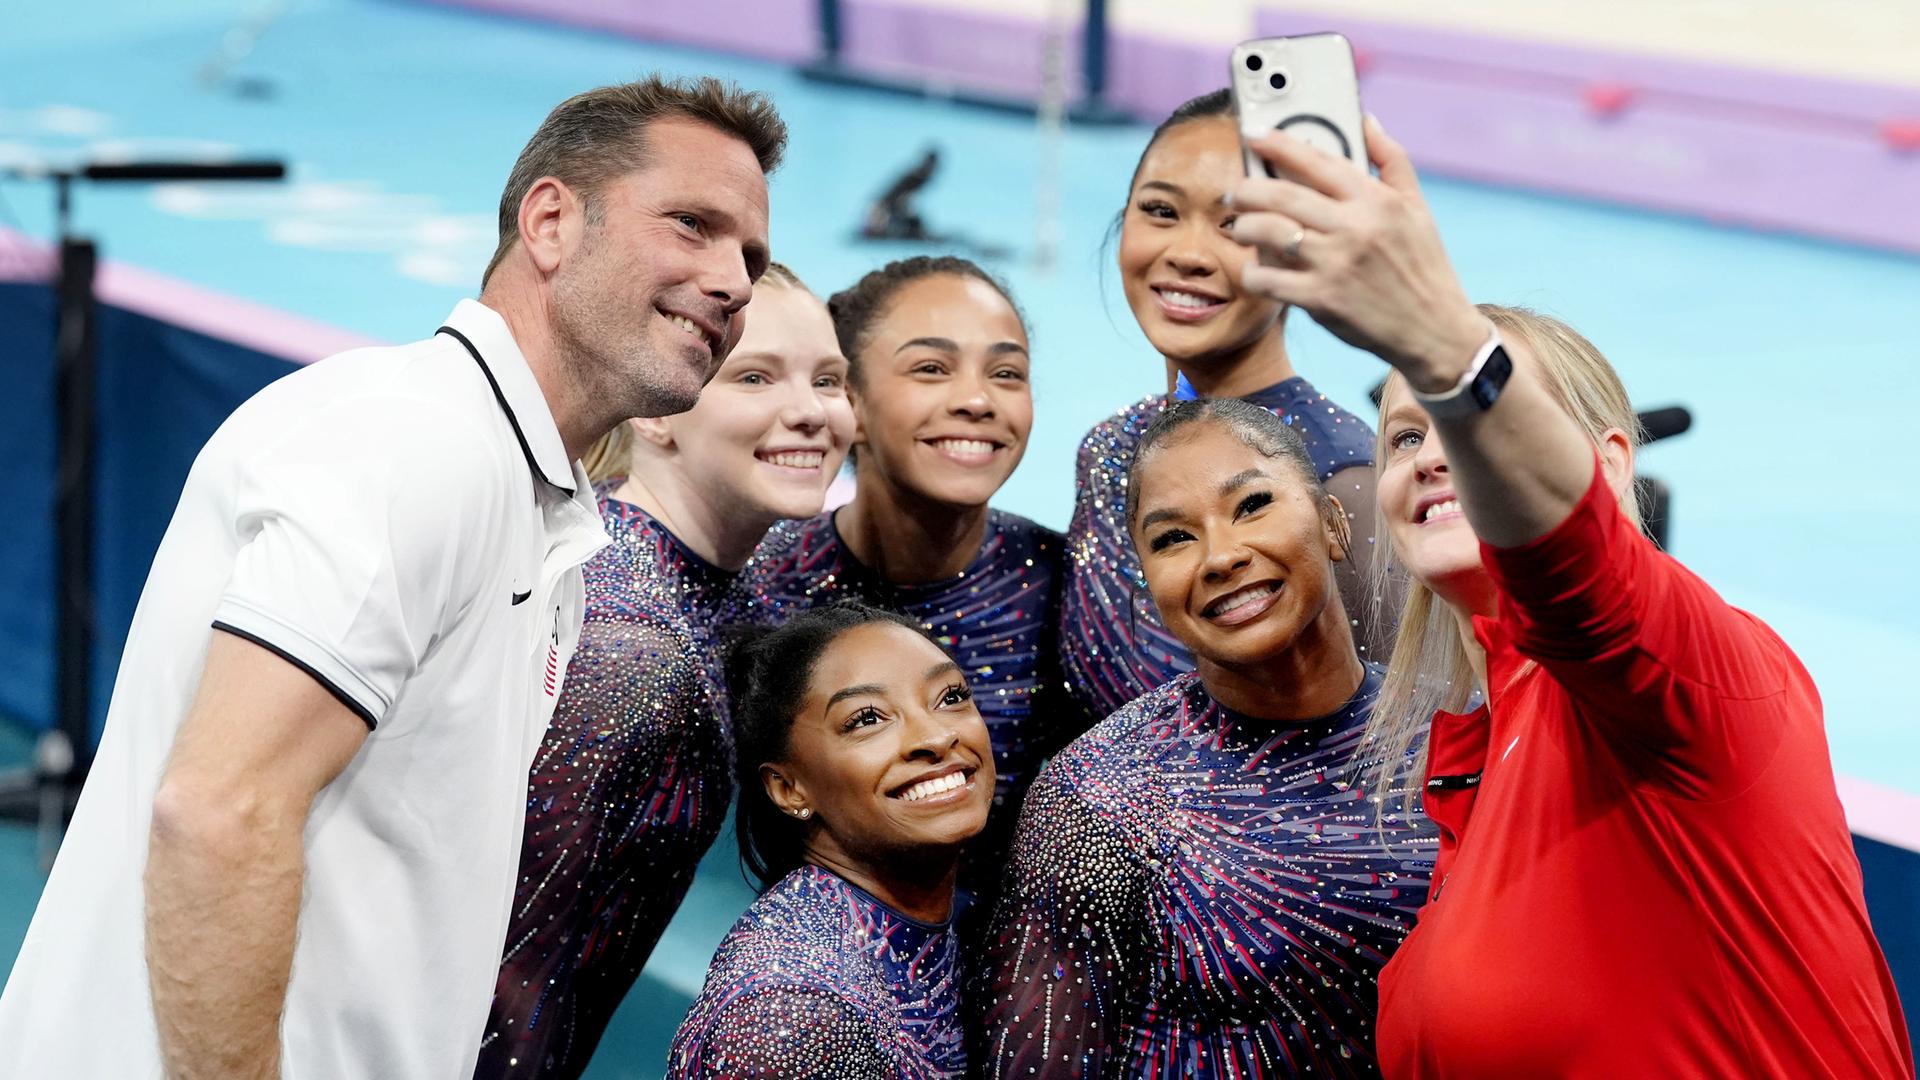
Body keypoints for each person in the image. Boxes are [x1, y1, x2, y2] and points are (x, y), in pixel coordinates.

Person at [0, 76, 785, 1079]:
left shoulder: (528, 499)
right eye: (692, 225)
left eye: (749, 257)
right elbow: (218, 813)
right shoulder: (419, 447)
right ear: (549, 221)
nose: (732, 281)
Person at [1227, 116, 1913, 1077]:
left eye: (1457, 431)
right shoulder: (1482, 745)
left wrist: (1439, 342)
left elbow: (1571, 565)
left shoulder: (1691, 671)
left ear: (1610, 461)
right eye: (1401, 439)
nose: (1431, 457)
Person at [976, 397, 1433, 1078]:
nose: (1219, 556)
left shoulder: (1465, 731)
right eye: (1172, 539)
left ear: (1334, 526)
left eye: (1251, 506)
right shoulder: (1099, 800)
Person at [475, 264, 853, 1078]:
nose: (812, 412)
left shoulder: (695, 563)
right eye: (754, 376)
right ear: (656, 413)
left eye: (830, 380)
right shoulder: (632, 661)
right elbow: (506, 981)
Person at [740, 256, 1078, 882]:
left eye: (1007, 373)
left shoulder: (1071, 590)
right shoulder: (764, 585)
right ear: (850, 403)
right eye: (931, 368)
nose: (977, 399)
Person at [1059, 89, 1386, 723]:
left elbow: (1412, 744)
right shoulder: (1109, 452)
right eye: (1160, 210)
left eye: (1234, 223)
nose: (1187, 252)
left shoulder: (1349, 480)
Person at [665, 602, 992, 1079]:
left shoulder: (968, 929)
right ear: (788, 788)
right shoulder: (790, 1013)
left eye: (950, 696)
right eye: (866, 720)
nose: (936, 736)